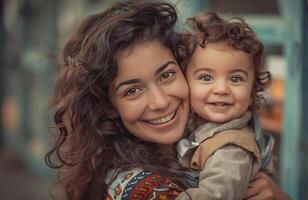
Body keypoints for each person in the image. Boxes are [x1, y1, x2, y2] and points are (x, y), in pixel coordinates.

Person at [45, 1, 290, 200]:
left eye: (166, 75)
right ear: (108, 107)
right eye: (132, 91)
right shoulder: (141, 187)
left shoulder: (217, 139)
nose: (160, 102)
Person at [174, 12, 276, 200]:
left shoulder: (232, 148)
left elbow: (213, 196)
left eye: (235, 79)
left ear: (252, 92)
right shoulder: (191, 126)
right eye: (206, 77)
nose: (221, 89)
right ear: (185, 82)